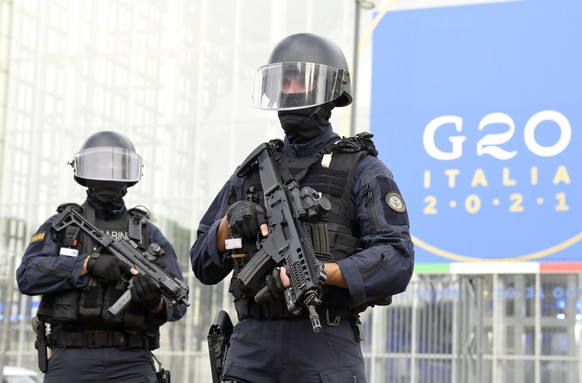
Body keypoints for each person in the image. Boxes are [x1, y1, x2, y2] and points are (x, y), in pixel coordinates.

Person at [190, 32, 414, 383]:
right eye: (284, 81)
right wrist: (228, 227)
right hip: (251, 344)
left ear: (329, 91)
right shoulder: (250, 174)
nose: (291, 90)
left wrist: (324, 273)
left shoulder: (363, 169)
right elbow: (201, 264)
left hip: (324, 341)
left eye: (301, 80)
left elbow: (397, 258)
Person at [17, 131, 188, 383]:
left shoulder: (148, 233)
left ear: (129, 173)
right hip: (71, 358)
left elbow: (178, 300)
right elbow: (27, 275)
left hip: (132, 360)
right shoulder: (62, 226)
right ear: (85, 172)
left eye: (116, 165)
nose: (108, 172)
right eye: (101, 165)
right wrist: (86, 265)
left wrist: (156, 303)